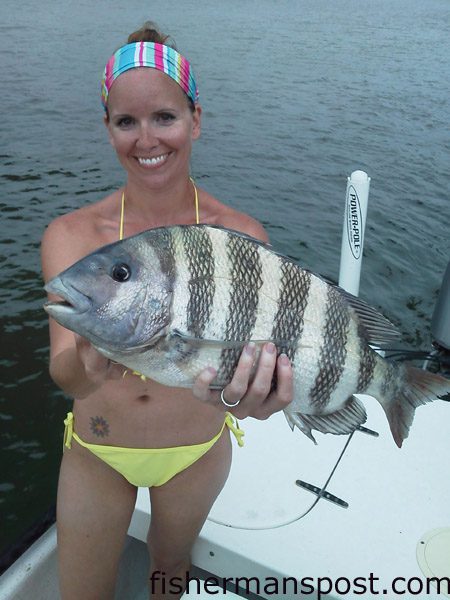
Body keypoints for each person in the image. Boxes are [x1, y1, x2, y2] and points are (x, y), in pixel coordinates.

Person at [41, 22, 293, 600]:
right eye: (126, 121)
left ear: (195, 119)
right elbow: (65, 375)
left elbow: (253, 374)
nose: (147, 138)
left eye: (165, 117)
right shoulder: (74, 239)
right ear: (108, 130)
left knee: (168, 575)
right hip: (97, 452)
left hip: (197, 454)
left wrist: (257, 401)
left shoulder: (242, 238)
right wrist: (91, 357)